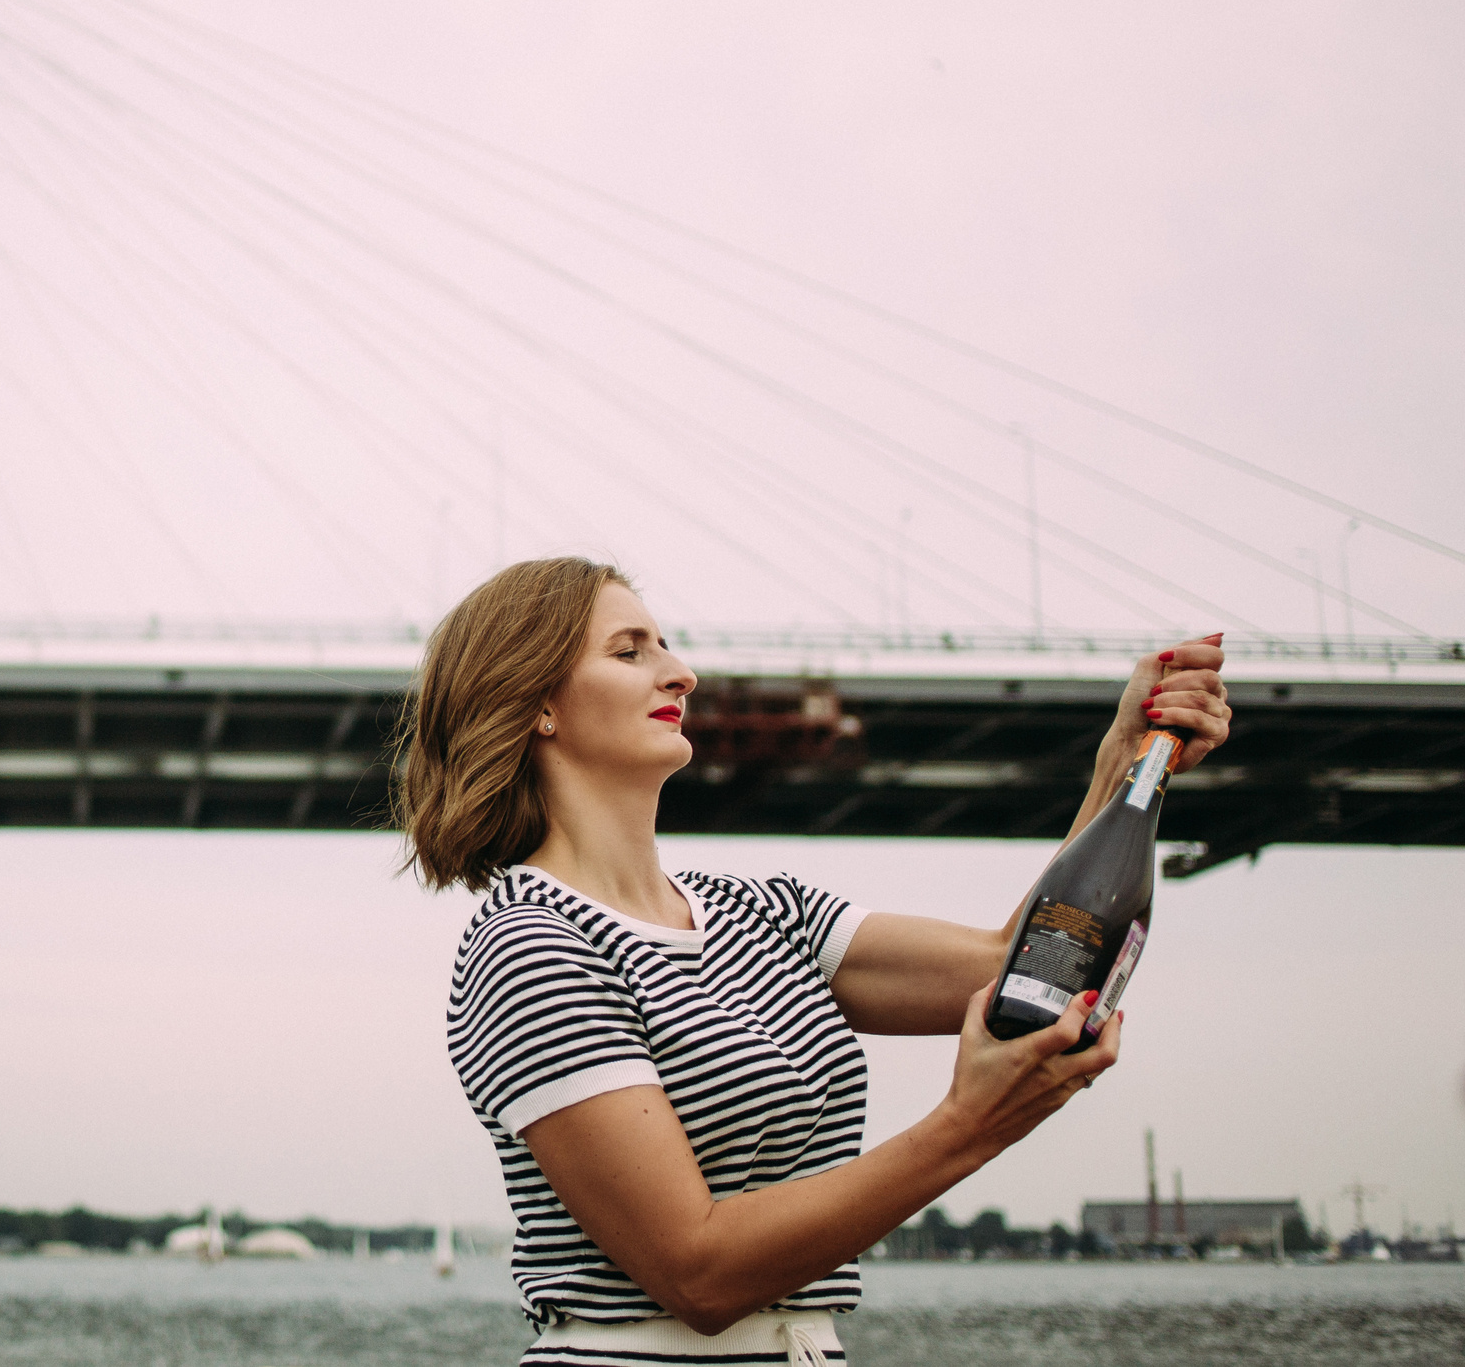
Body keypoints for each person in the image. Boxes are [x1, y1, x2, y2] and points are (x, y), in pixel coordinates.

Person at [397, 557, 1230, 1365]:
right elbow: (698, 1272)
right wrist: (970, 1123)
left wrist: (1125, 761)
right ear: (537, 703)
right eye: (631, 650)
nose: (681, 673)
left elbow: (1024, 964)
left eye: (666, 644)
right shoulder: (533, 944)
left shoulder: (763, 912)